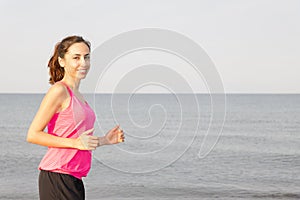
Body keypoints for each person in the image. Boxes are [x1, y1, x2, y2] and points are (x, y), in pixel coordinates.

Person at [26, 35, 125, 200]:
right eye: (76, 58)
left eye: (87, 57)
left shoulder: (78, 96)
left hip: (73, 178)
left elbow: (80, 141)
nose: (83, 63)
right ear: (62, 61)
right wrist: (74, 143)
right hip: (57, 176)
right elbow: (33, 134)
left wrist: (105, 140)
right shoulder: (59, 91)